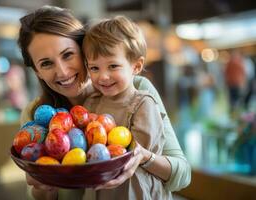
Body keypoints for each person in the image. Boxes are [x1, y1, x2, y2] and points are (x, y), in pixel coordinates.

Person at [17, 5, 191, 200]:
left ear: (83, 51)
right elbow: (38, 196)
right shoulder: (36, 117)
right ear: (37, 72)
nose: (63, 72)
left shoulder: (136, 90)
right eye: (46, 63)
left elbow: (183, 176)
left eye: (68, 55)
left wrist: (144, 158)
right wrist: (43, 184)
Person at [81, 16, 169, 199]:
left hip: (133, 189)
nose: (103, 76)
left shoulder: (144, 104)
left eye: (113, 66)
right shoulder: (91, 103)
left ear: (136, 66)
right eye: (94, 68)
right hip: (100, 187)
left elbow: (134, 155)